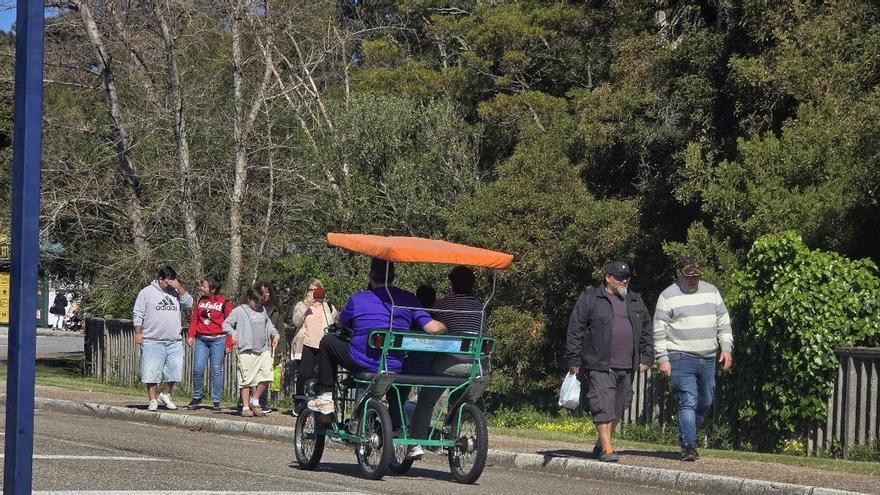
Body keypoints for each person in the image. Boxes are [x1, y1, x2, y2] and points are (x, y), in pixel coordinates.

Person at [306, 258, 446, 460]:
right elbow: (432, 328)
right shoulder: (408, 299)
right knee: (397, 384)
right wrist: (445, 327)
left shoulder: (359, 299)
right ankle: (399, 427)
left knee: (328, 342)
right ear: (394, 276)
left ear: (371, 276)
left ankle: (326, 396)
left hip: (362, 360)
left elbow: (340, 321)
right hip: (394, 364)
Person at [565, 261, 653, 463]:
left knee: (619, 406)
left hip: (627, 364)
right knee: (602, 404)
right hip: (600, 363)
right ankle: (607, 449)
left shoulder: (635, 300)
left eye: (627, 277)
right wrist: (573, 358)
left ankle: (601, 443)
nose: (624, 281)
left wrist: (647, 355)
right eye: (620, 277)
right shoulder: (591, 299)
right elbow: (575, 328)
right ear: (608, 278)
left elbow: (646, 330)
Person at [653, 255, 733, 462]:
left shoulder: (712, 291)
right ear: (679, 273)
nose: (693, 280)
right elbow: (659, 330)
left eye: (696, 276)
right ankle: (689, 444)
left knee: (706, 400)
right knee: (687, 400)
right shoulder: (667, 296)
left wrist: (726, 348)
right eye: (689, 276)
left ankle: (688, 436)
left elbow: (723, 322)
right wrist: (662, 358)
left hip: (707, 357)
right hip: (680, 356)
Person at [406, 266, 489, 460]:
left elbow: (434, 330)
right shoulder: (481, 308)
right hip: (478, 366)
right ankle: (453, 433)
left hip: (450, 365)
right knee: (461, 399)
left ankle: (416, 442)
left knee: (427, 399)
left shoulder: (443, 304)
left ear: (452, 284)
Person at [133, 266, 194, 411]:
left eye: (173, 281)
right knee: (151, 372)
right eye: (168, 281)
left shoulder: (176, 292)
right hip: (152, 339)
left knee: (175, 370)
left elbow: (190, 303)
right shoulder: (146, 293)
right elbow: (138, 313)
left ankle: (165, 394)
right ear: (160, 279)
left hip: (174, 340)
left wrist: (179, 287)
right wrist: (138, 333)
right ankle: (153, 400)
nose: (170, 284)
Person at [223, 285, 279, 417]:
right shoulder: (240, 310)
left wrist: (275, 335)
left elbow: (269, 326)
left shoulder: (263, 310)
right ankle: (246, 406)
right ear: (249, 299)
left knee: (267, 376)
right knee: (246, 379)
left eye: (260, 302)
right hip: (247, 350)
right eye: (256, 302)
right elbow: (226, 324)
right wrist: (233, 334)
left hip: (263, 349)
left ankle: (255, 399)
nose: (258, 304)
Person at [291, 279, 338, 415]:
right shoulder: (301, 305)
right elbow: (296, 321)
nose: (313, 293)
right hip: (307, 343)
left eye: (316, 290)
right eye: (310, 290)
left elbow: (337, 320)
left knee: (323, 375)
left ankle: (320, 402)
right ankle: (300, 402)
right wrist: (306, 306)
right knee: (304, 374)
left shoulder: (328, 306)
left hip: (324, 345)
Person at [186, 276, 233, 411]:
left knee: (216, 370)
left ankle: (216, 400)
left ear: (212, 289)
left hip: (218, 339)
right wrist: (191, 334)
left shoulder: (225, 302)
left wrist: (229, 343)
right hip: (201, 339)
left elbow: (231, 323)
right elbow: (195, 319)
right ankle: (197, 396)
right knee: (197, 369)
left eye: (204, 286)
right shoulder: (200, 301)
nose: (202, 288)